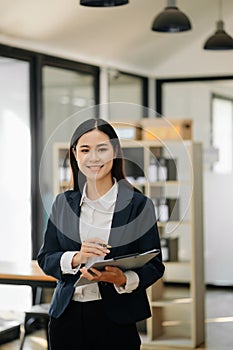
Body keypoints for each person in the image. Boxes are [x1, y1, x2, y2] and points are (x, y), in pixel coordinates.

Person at [37, 118, 165, 350]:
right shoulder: (63, 203)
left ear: (115, 152)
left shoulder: (138, 205)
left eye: (102, 149)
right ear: (75, 154)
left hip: (115, 319)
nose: (93, 158)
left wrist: (123, 279)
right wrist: (76, 257)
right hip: (66, 318)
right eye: (85, 150)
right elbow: (46, 258)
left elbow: (155, 265)